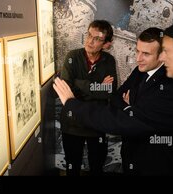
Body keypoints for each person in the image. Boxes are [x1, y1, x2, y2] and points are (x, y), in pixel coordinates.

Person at [53, 21, 173, 176]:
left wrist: (71, 103)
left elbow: (119, 118)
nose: (162, 57)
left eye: (166, 51)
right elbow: (116, 96)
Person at [58, 20, 117, 176]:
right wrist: (98, 86)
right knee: (72, 167)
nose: (90, 41)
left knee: (97, 167)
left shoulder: (109, 61)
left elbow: (109, 92)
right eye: (89, 35)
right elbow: (66, 90)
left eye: (97, 39)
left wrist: (79, 84)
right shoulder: (72, 57)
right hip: (72, 123)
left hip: (97, 124)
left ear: (106, 45)